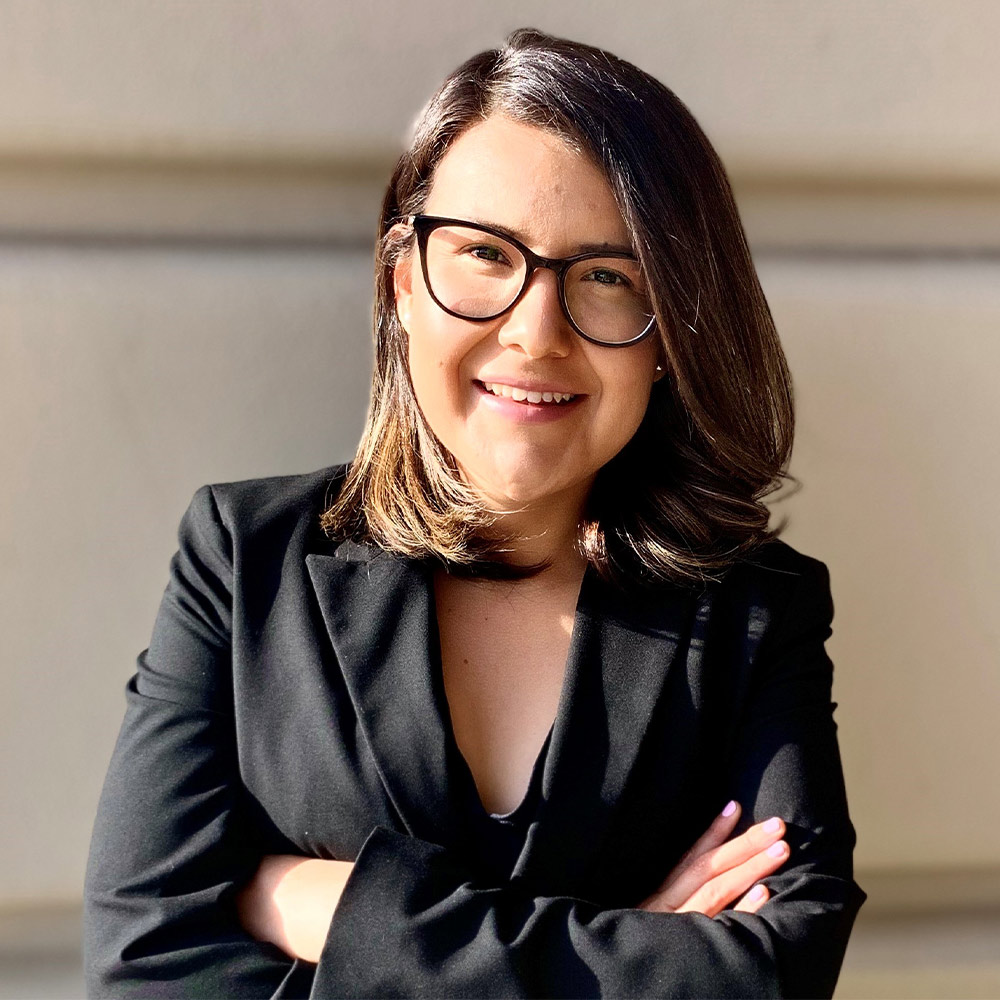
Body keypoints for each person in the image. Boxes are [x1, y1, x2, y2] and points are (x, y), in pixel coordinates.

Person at [84, 27, 866, 999]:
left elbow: (776, 975)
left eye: (608, 275)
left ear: (670, 334)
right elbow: (145, 966)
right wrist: (627, 952)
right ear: (403, 284)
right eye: (487, 255)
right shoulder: (245, 562)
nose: (536, 333)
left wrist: (341, 913)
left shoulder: (756, 611)